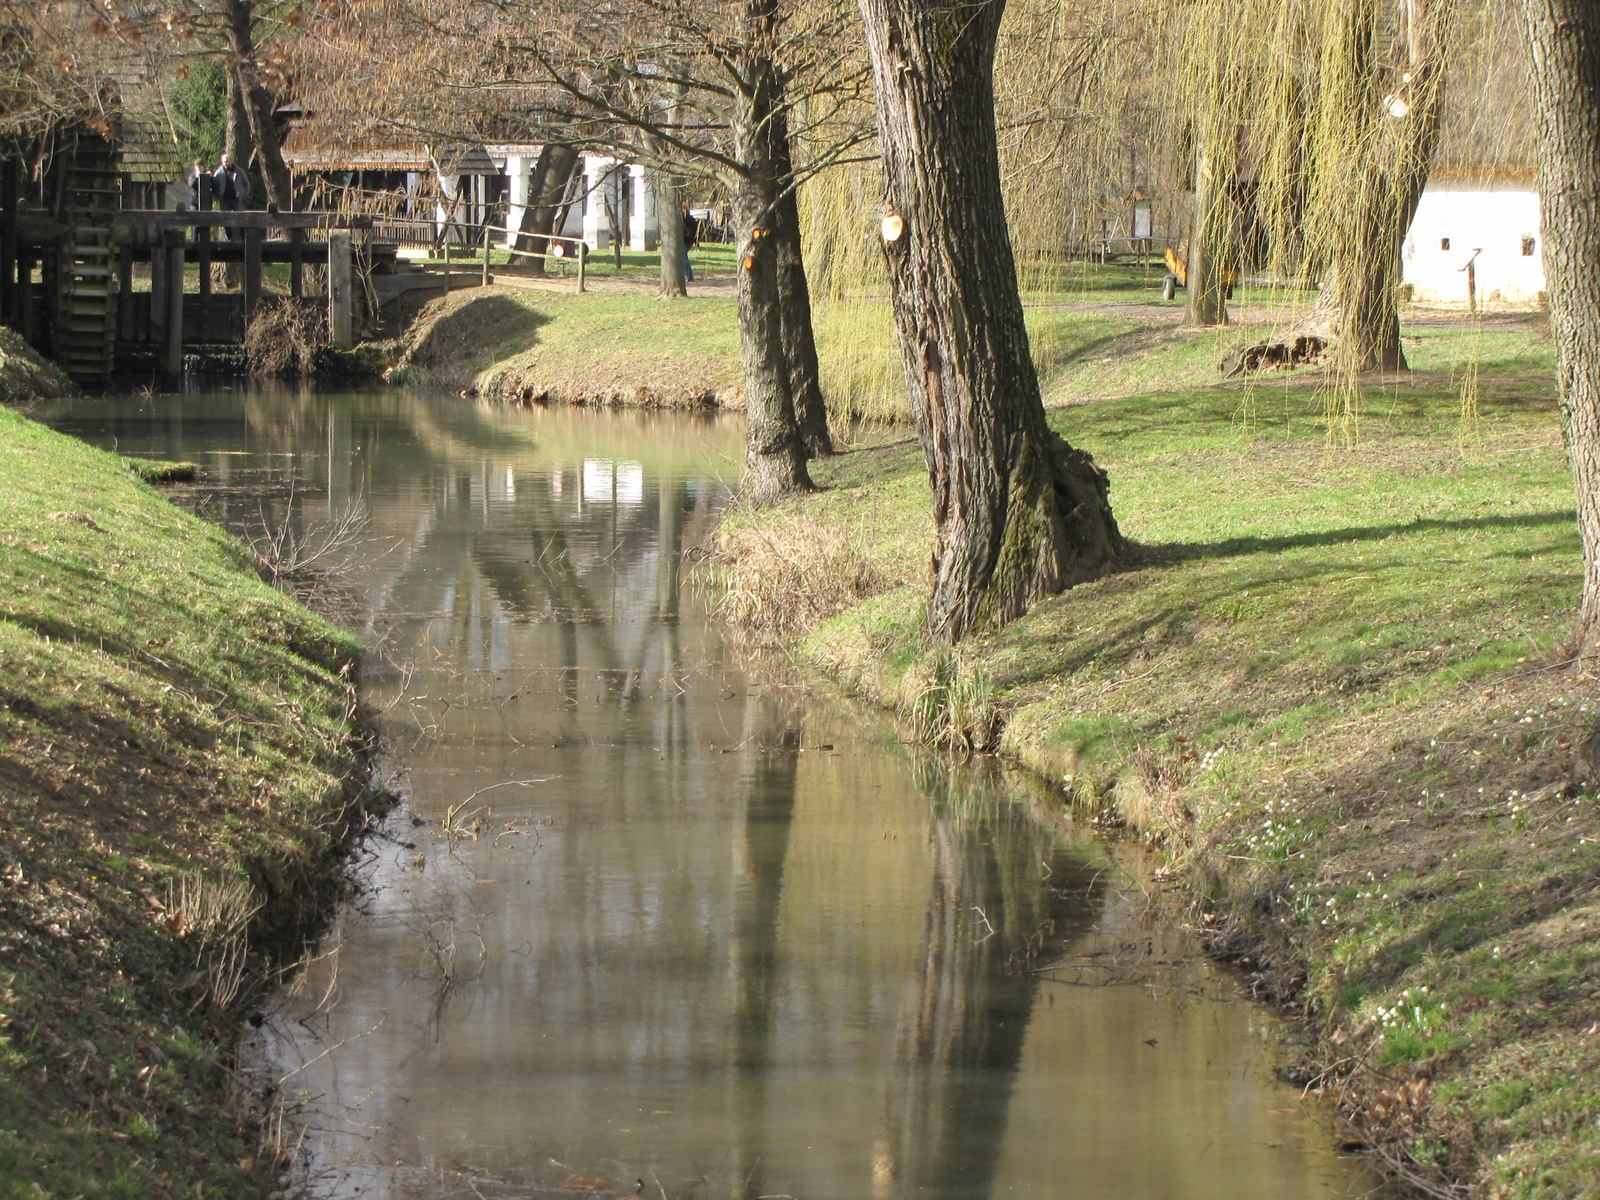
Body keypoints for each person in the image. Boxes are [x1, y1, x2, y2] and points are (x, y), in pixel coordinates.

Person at [213, 153, 250, 240]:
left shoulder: (239, 171)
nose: (226, 163)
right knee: (226, 220)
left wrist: (244, 195)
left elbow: (246, 184)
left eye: (227, 161)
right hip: (225, 199)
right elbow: (214, 185)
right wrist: (218, 195)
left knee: (241, 218)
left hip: (237, 199)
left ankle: (244, 239)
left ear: (231, 161)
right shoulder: (219, 173)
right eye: (224, 162)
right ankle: (229, 239)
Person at [681, 201, 698, 283]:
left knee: (684, 257)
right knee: (683, 257)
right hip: (690, 240)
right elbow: (696, 231)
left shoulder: (684, 219)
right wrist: (696, 241)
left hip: (685, 240)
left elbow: (694, 231)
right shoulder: (691, 218)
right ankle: (686, 275)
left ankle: (689, 276)